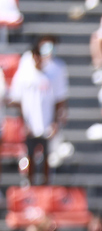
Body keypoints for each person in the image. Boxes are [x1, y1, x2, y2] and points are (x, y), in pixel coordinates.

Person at [9, 39, 69, 186]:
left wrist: (55, 122)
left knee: (46, 157)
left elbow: (58, 101)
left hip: (46, 123)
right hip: (30, 124)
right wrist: (23, 122)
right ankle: (30, 186)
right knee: (29, 155)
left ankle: (46, 188)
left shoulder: (51, 76)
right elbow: (17, 100)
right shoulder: (24, 76)